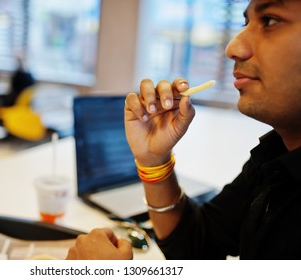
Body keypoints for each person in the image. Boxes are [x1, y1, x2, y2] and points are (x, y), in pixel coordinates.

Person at [66, 0, 301, 260]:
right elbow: (198, 244)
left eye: (270, 20)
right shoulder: (275, 156)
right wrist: (153, 159)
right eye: (246, 23)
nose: (233, 48)